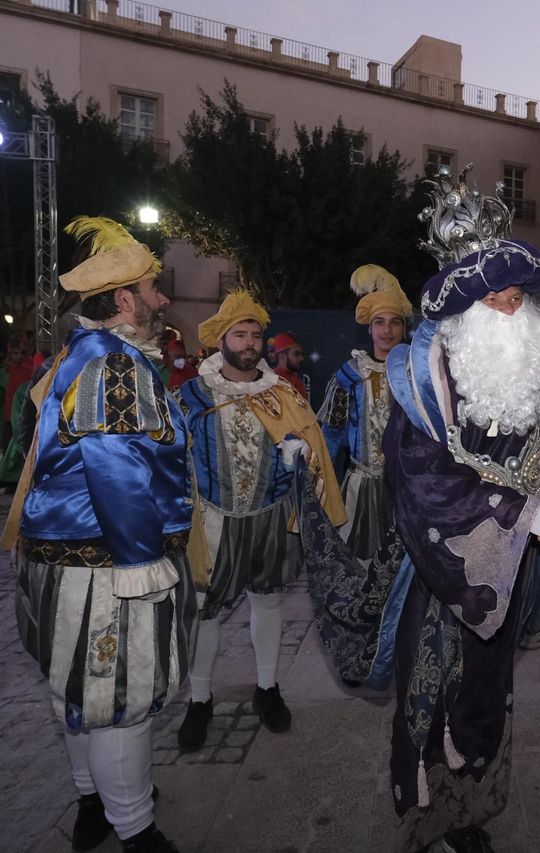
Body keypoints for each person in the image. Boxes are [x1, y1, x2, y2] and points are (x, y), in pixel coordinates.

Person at [367, 167, 540, 853]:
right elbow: (421, 482)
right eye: (495, 295)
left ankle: (470, 808)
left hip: (519, 570)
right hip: (450, 564)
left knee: (488, 695)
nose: (511, 304)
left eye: (518, 293)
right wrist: (526, 516)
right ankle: (429, 815)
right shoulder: (419, 377)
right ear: (464, 307)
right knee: (432, 695)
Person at [0, 216, 199, 853]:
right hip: (107, 566)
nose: (163, 299)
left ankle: (96, 800)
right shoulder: (115, 366)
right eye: (153, 287)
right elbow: (116, 464)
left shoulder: (81, 354)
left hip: (68, 559)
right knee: (121, 697)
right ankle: (136, 830)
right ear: (123, 299)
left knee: (79, 688)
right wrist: (142, 558)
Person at [175, 291, 346, 750]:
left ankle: (268, 688)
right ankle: (199, 699)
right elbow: (168, 458)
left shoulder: (281, 392)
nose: (249, 342)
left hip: (270, 516)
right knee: (204, 611)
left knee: (267, 601)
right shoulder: (189, 395)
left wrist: (301, 454)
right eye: (240, 334)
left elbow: (312, 444)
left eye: (255, 335)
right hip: (211, 519)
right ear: (221, 341)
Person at [319, 264, 408, 567]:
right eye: (379, 323)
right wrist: (322, 487)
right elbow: (330, 435)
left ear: (403, 329)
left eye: (395, 323)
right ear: (369, 329)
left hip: (408, 488)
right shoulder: (350, 376)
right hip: (362, 488)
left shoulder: (417, 376)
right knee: (360, 566)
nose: (387, 330)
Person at [0, 338, 32, 490]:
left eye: (21, 353)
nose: (18, 356)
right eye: (15, 353)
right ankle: (7, 477)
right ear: (9, 355)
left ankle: (17, 479)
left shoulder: (30, 373)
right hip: (7, 416)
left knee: (21, 448)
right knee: (8, 448)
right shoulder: (0, 375)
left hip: (23, 415)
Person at [268, 332, 309, 401]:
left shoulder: (298, 381)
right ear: (282, 357)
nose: (302, 358)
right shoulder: (271, 381)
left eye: (301, 354)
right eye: (296, 354)